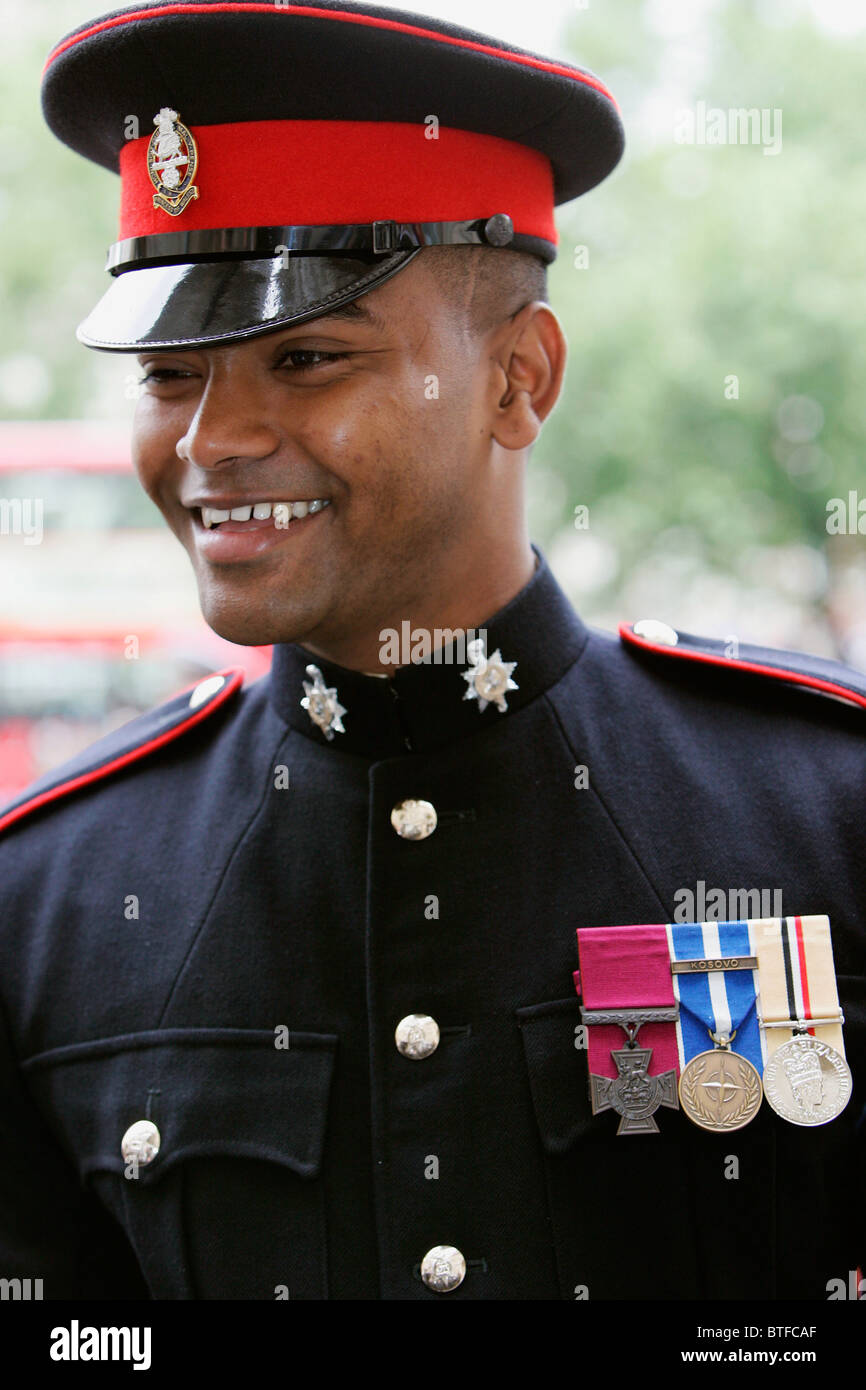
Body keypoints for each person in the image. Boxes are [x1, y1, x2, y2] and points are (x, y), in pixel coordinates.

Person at [0, 0, 862, 1303]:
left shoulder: (820, 810)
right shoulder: (53, 895)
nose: (210, 439)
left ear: (520, 378)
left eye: (304, 356)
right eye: (170, 374)